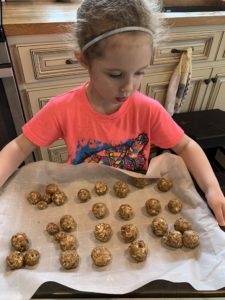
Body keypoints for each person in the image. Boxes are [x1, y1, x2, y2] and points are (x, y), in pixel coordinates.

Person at [0, 0, 225, 226]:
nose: (128, 87)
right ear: (84, 60)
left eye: (139, 73)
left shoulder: (147, 110)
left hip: (136, 205)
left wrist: (212, 189)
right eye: (115, 75)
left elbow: (186, 146)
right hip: (80, 207)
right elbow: (19, 146)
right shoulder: (63, 109)